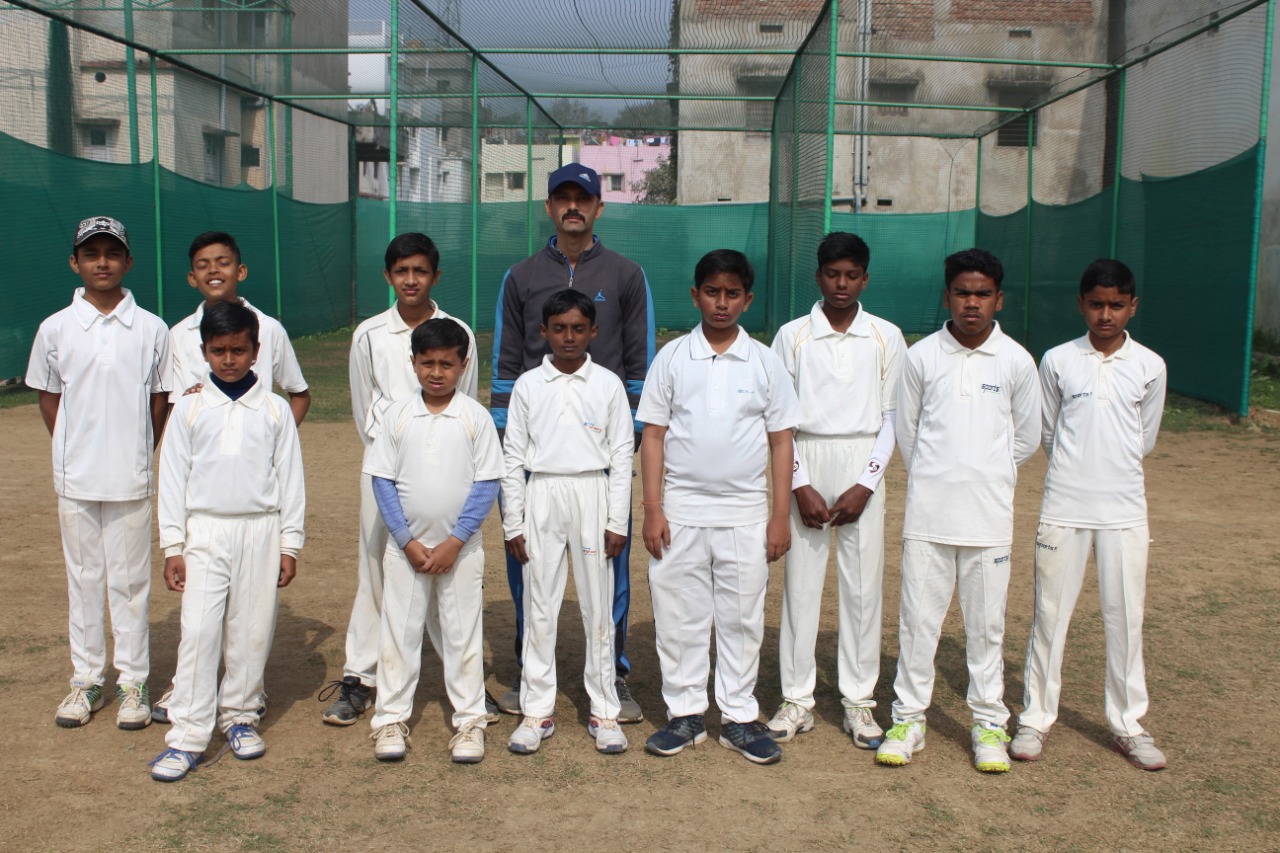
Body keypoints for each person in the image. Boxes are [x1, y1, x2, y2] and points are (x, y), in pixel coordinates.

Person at [491, 163, 655, 722]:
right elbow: (506, 362)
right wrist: (508, 449)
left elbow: (640, 359)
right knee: (528, 567)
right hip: (536, 461)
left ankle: (615, 676)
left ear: (598, 207)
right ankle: (528, 670)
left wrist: (623, 444)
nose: (572, 207)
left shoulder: (626, 274)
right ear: (549, 207)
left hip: (598, 460)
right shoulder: (521, 276)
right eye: (562, 198)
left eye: (582, 199)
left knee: (609, 567)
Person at [875, 248, 1041, 773]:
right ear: (947, 296)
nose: (972, 303)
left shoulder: (1016, 360)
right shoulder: (922, 356)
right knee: (917, 624)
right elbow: (909, 434)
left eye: (983, 294)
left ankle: (989, 724)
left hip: (988, 520)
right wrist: (941, 474)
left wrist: (984, 472)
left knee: (987, 628)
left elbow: (1025, 438)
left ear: (999, 299)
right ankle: (908, 720)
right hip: (929, 517)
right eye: (963, 293)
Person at [637, 250, 800, 765]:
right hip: (681, 512)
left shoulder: (765, 362)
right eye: (712, 292)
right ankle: (685, 714)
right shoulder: (672, 358)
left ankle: (738, 718)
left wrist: (779, 516)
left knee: (741, 618)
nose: (721, 303)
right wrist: (653, 508)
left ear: (748, 300)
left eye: (732, 294)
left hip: (745, 514)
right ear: (695, 296)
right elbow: (654, 436)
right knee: (679, 617)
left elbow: (781, 441)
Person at [1011, 259, 1168, 771]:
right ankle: (1035, 718)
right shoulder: (1058, 360)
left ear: (1132, 307)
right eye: (1097, 304)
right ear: (1081, 304)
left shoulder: (1150, 365)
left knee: (1125, 616)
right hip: (1065, 504)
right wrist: (1077, 471)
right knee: (1050, 614)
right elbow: (1050, 432)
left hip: (1124, 508)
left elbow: (1143, 440)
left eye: (1117, 305)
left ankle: (1128, 724)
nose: (1106, 315)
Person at [152, 230, 311, 724]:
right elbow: (172, 476)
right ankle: (187, 724)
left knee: (250, 631)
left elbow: (291, 480)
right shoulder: (188, 403)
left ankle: (241, 714)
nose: (228, 358)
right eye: (218, 350)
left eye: (238, 351)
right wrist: (172, 544)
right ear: (204, 350)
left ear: (255, 350)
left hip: (260, 528)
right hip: (205, 527)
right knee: (199, 630)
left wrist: (289, 544)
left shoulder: (274, 409)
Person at [321, 233, 480, 726]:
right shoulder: (368, 334)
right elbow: (362, 407)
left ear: (435, 275)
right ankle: (362, 676)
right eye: (402, 271)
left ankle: (464, 684)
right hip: (386, 472)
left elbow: (467, 404)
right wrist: (392, 458)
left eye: (420, 271)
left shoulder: (458, 332)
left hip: (446, 474)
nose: (411, 280)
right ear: (388, 276)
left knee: (448, 571)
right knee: (377, 567)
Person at [26, 216, 170, 730]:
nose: (102, 263)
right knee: (84, 579)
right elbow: (49, 397)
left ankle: (133, 682)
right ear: (75, 263)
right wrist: (73, 448)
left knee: (130, 583)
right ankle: (86, 679)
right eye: (91, 254)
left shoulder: (151, 328)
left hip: (130, 476)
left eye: (112, 253)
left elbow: (160, 399)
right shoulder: (55, 328)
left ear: (128, 261)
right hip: (77, 479)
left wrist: (139, 449)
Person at [766, 232, 905, 749]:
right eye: (832, 274)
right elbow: (780, 418)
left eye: (851, 275)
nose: (841, 284)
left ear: (865, 279)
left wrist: (866, 483)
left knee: (863, 588)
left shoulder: (886, 336)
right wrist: (799, 483)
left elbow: (893, 417)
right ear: (818, 276)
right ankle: (796, 699)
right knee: (800, 587)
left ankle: (859, 702)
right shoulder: (792, 335)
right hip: (805, 453)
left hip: (861, 459)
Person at [501, 289, 634, 756]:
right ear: (544, 332)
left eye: (578, 328)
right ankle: (536, 710)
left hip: (593, 492)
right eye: (559, 329)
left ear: (594, 331)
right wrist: (513, 523)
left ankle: (605, 711)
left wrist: (617, 520)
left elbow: (622, 455)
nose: (569, 337)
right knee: (539, 604)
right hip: (542, 494)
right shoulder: (528, 385)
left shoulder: (608, 384)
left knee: (598, 606)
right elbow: (512, 456)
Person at [364, 318, 502, 764]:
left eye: (447, 364)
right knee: (399, 635)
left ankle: (470, 723)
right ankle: (389, 720)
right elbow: (382, 480)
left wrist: (455, 542)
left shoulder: (475, 417)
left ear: (464, 365)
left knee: (463, 636)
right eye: (428, 363)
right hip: (406, 552)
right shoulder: (397, 415)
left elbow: (486, 484)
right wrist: (406, 541)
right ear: (413, 363)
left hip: (461, 553)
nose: (437, 373)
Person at [166, 231, 310, 422]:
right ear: (192, 278)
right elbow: (175, 404)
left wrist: (279, 434)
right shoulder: (178, 334)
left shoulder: (268, 328)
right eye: (203, 265)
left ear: (240, 272)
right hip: (201, 439)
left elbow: (300, 395)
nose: (213, 270)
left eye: (223, 263)